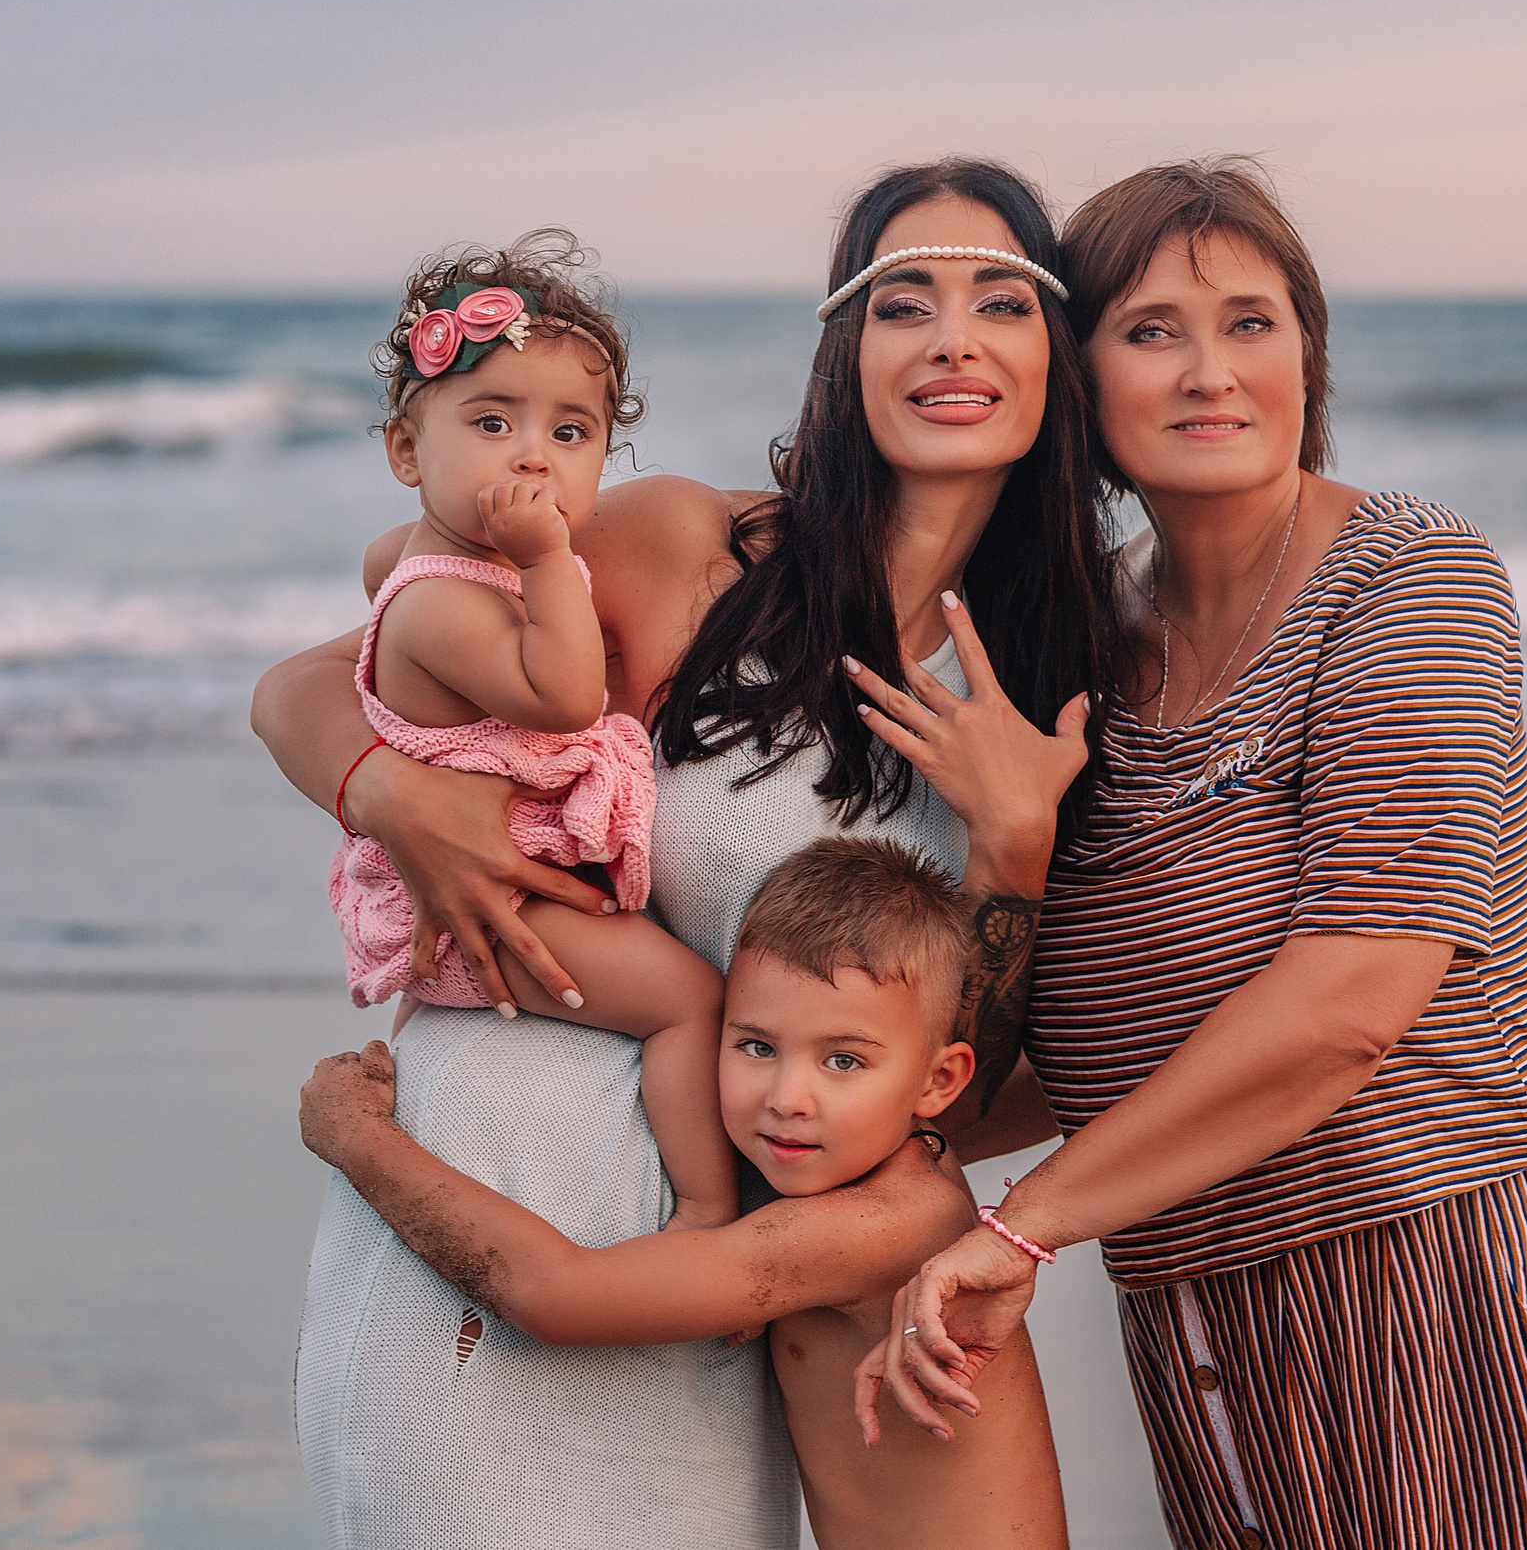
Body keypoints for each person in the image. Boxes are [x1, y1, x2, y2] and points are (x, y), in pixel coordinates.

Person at [253, 160, 1116, 1549]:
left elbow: (948, 1091)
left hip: (701, 1284)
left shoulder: (1069, 684)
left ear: (1053, 358)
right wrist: (386, 794)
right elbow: (324, 671)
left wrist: (1017, 849)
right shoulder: (694, 552)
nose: (953, 336)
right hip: (483, 1185)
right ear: (846, 350)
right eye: (905, 301)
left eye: (1000, 300)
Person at [859, 159, 1527, 1549]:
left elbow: (1348, 1003)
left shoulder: (1411, 577)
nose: (1210, 373)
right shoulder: (1079, 650)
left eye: (1252, 323)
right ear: (1080, 382)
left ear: (1309, 354)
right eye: (1151, 331)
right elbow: (1065, 1048)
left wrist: (1024, 1225)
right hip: (1201, 1300)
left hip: (1464, 1265)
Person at [297, 837, 1069, 1550]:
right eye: (757, 1046)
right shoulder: (882, 1166)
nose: (788, 1098)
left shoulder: (890, 1222)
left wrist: (360, 1140)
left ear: (940, 1080)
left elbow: (553, 1297)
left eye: (843, 1061)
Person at [331, 238, 735, 1230]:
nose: (531, 455)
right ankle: (708, 1212)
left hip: (506, 886)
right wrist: (553, 557)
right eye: (492, 421)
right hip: (487, 910)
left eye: (571, 432)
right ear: (406, 452)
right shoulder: (437, 603)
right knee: (691, 1001)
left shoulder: (456, 566)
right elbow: (561, 696)